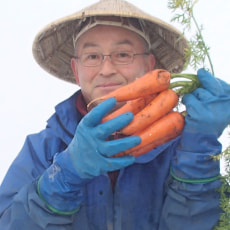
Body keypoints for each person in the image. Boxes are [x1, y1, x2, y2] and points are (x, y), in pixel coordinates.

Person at [0, 0, 230, 229]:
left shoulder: (179, 148)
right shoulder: (42, 149)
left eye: (123, 54)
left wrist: (199, 149)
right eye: (92, 56)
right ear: (76, 71)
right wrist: (64, 174)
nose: (107, 69)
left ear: (150, 66)